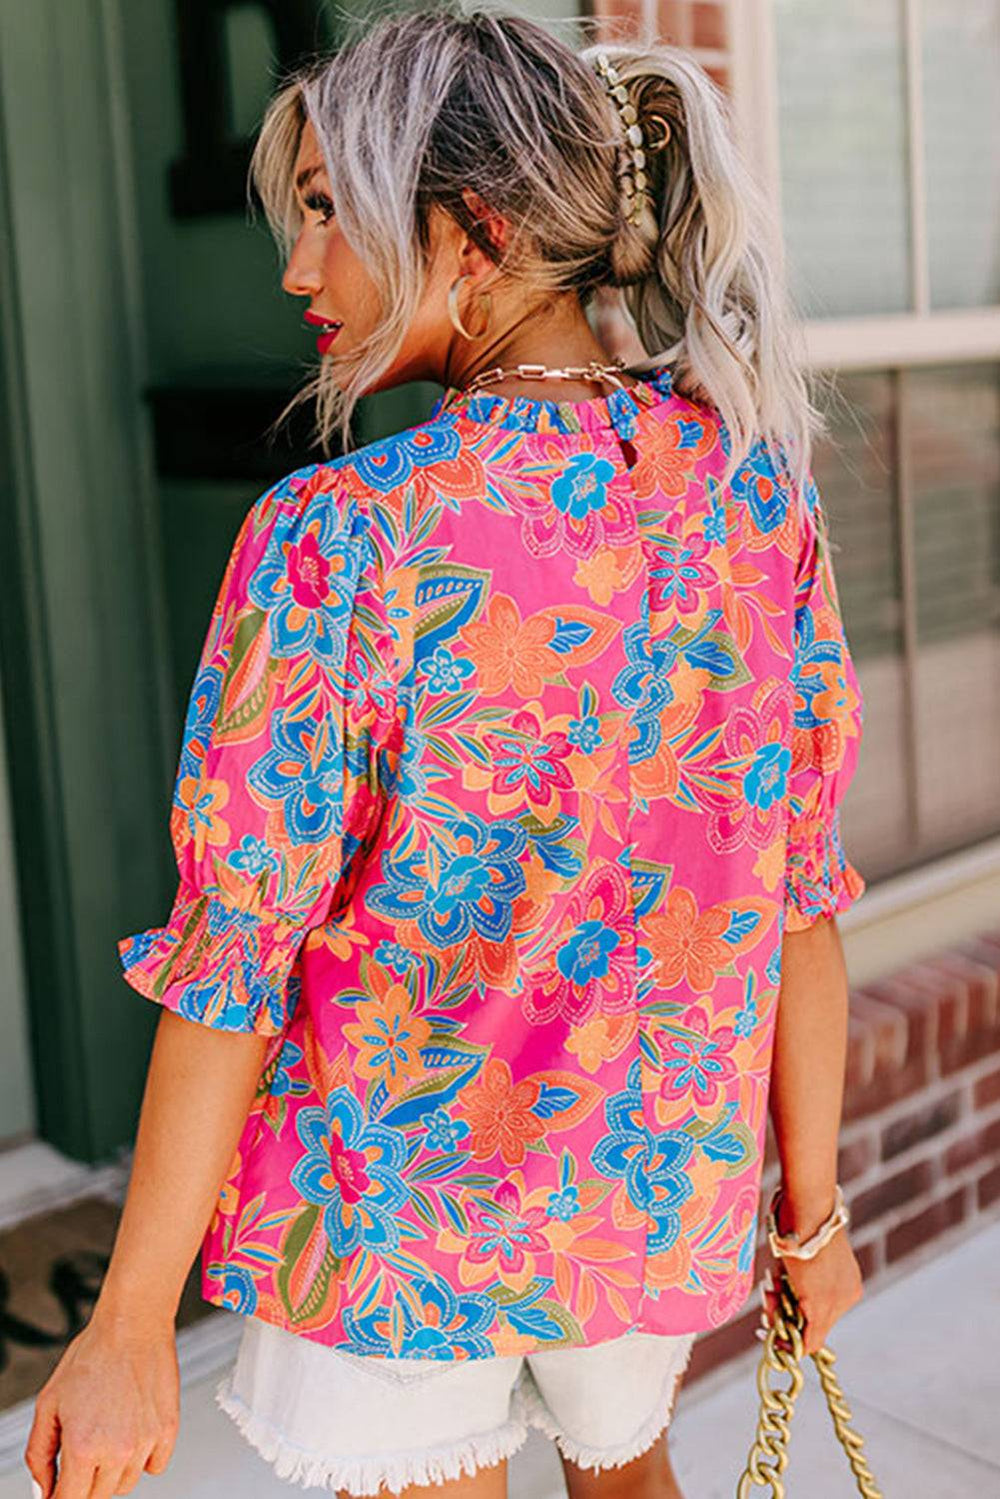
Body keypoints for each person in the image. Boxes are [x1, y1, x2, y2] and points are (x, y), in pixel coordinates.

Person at [23, 4, 867, 1497]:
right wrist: (814, 1218)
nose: (297, 270)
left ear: (468, 234)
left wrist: (131, 1326)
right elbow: (797, 892)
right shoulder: (753, 506)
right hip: (645, 1198)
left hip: (392, 1239)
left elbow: (237, 961)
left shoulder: (342, 541)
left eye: (331, 215)